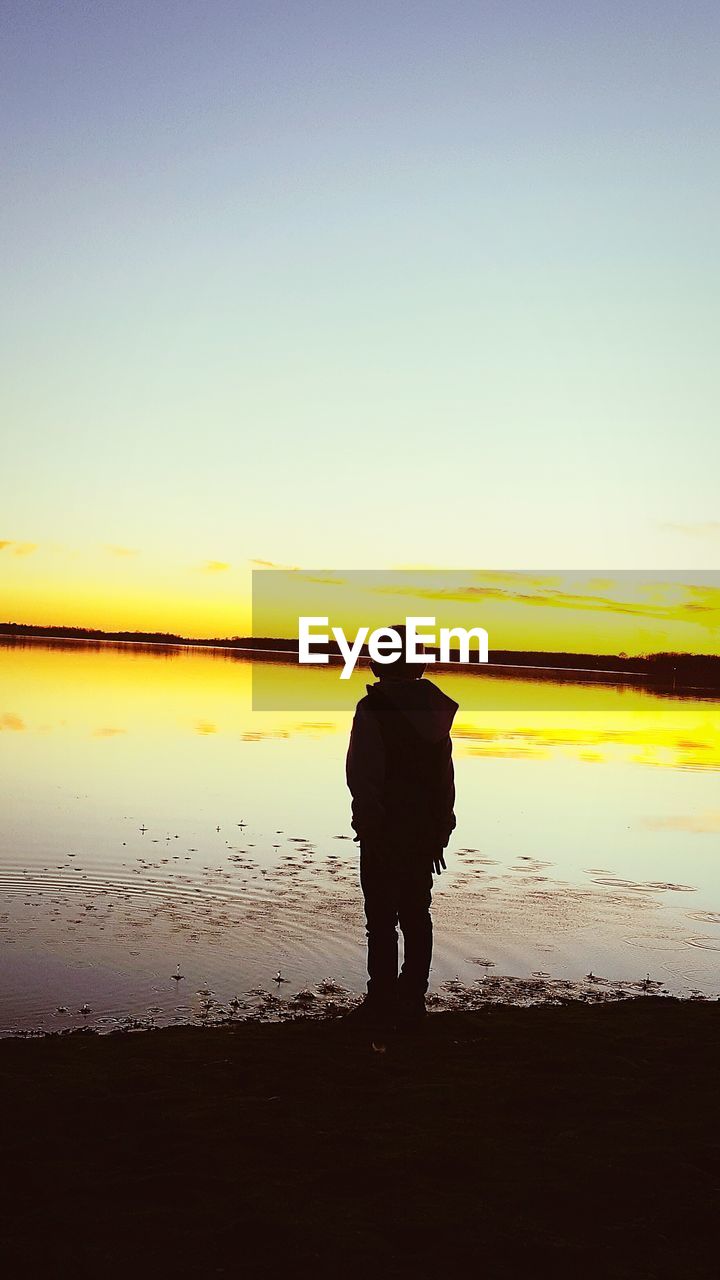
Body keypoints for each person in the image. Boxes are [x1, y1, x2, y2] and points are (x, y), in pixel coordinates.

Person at [345, 626, 458, 1027]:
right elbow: (444, 779)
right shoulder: (435, 711)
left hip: (385, 829)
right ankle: (412, 998)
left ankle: (382, 1000)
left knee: (381, 918)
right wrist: (442, 829)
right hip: (423, 831)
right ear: (419, 663)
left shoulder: (372, 709)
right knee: (416, 913)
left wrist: (367, 824)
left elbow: (363, 774)